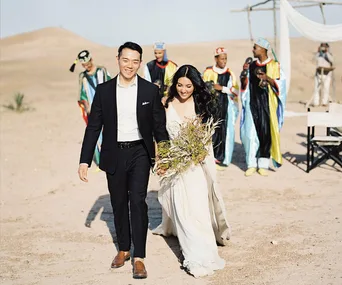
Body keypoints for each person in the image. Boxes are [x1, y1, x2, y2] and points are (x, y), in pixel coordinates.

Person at [78, 42, 169, 279]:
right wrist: (84, 160)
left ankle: (139, 257)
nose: (130, 65)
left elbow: (159, 127)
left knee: (138, 201)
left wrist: (166, 155)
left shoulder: (150, 91)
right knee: (118, 203)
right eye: (125, 60)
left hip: (140, 151)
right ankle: (124, 249)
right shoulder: (104, 90)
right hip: (113, 153)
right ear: (118, 59)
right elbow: (94, 127)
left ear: (140, 63)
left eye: (135, 61)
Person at [153, 65, 231, 278]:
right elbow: (159, 135)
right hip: (174, 165)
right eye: (179, 85)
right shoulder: (165, 103)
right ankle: (192, 254)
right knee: (182, 210)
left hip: (195, 164)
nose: (183, 89)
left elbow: (206, 137)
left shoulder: (200, 105)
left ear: (195, 86)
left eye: (188, 86)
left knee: (197, 210)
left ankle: (204, 252)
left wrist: (199, 153)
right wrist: (161, 159)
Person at [240, 38, 286, 177]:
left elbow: (281, 85)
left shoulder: (274, 65)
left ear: (263, 49)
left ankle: (263, 164)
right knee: (250, 134)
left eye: (255, 47)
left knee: (266, 134)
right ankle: (251, 164)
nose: (253, 50)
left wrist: (268, 78)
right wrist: (244, 75)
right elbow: (245, 85)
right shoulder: (251, 65)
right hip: (252, 103)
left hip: (267, 105)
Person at [69, 50, 111, 166]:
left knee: (109, 132)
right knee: (96, 135)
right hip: (92, 110)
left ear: (91, 60)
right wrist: (87, 108)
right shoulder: (82, 76)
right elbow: (82, 94)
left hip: (106, 108)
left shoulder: (102, 71)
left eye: (88, 63)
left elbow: (110, 87)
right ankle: (101, 161)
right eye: (84, 65)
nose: (86, 66)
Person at [203, 47, 239, 168]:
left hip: (225, 108)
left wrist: (222, 88)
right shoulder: (208, 72)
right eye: (222, 58)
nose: (224, 61)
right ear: (216, 59)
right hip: (211, 108)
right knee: (212, 131)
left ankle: (222, 158)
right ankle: (211, 158)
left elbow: (236, 91)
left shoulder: (230, 74)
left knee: (224, 132)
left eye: (226, 58)